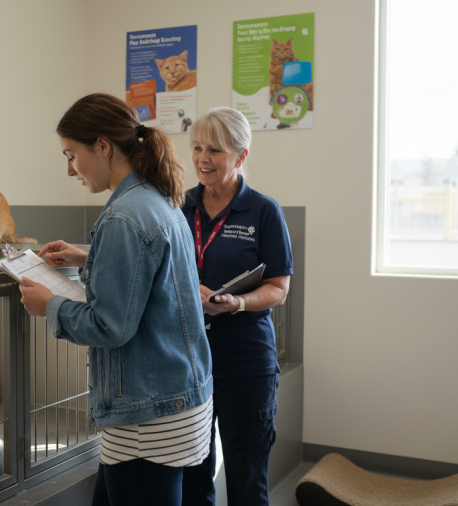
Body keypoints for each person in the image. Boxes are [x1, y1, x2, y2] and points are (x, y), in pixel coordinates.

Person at [18, 93, 213, 506]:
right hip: (177, 398)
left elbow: (110, 326)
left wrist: (48, 305)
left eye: (71, 155)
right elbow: (148, 274)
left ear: (103, 146)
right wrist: (88, 257)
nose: (69, 169)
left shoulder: (123, 216)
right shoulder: (155, 198)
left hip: (147, 420)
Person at [180, 107, 293, 506]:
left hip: (245, 363)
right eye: (197, 148)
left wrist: (238, 302)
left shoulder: (263, 211)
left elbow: (278, 288)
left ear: (241, 155)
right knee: (193, 476)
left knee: (247, 477)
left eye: (215, 150)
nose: (202, 159)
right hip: (188, 361)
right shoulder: (180, 206)